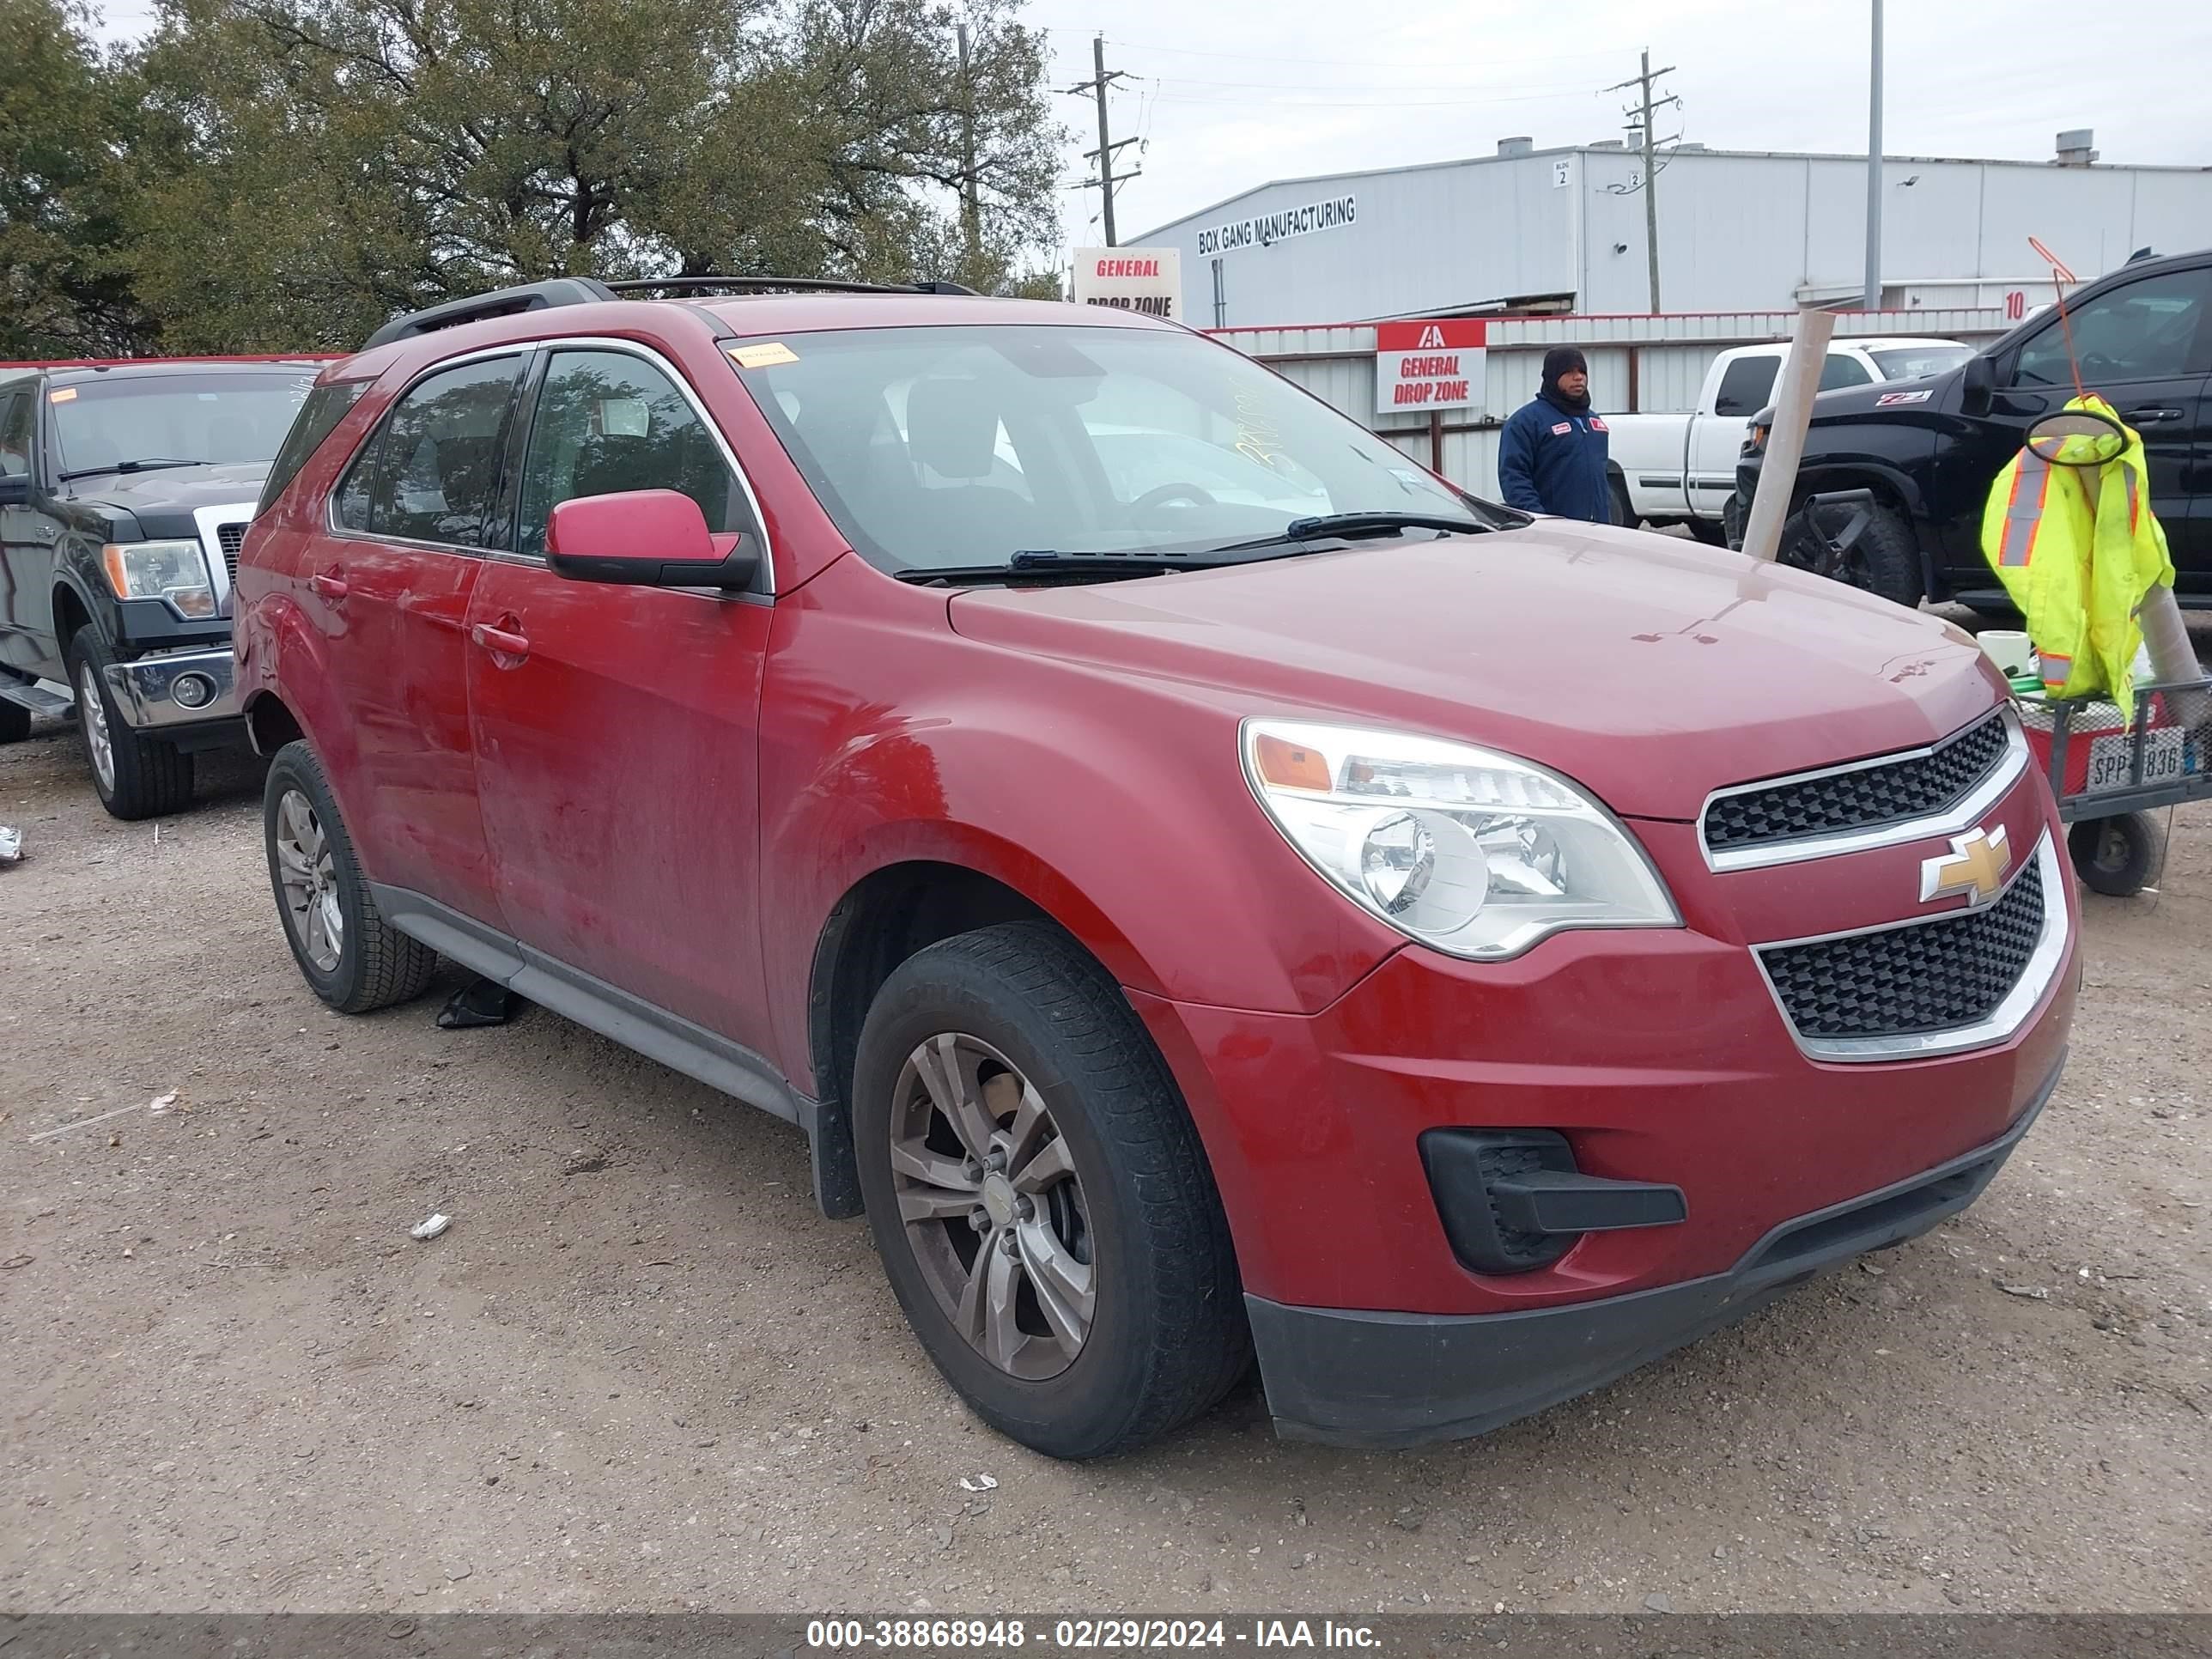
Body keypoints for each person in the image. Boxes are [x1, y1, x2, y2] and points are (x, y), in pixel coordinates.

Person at [1496, 346, 1611, 522]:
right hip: (1553, 534)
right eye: (1569, 372)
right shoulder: (1526, 422)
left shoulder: (1596, 424)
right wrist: (1540, 520)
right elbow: (1515, 480)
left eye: (1582, 371)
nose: (1578, 377)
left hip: (1598, 531)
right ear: (1552, 376)